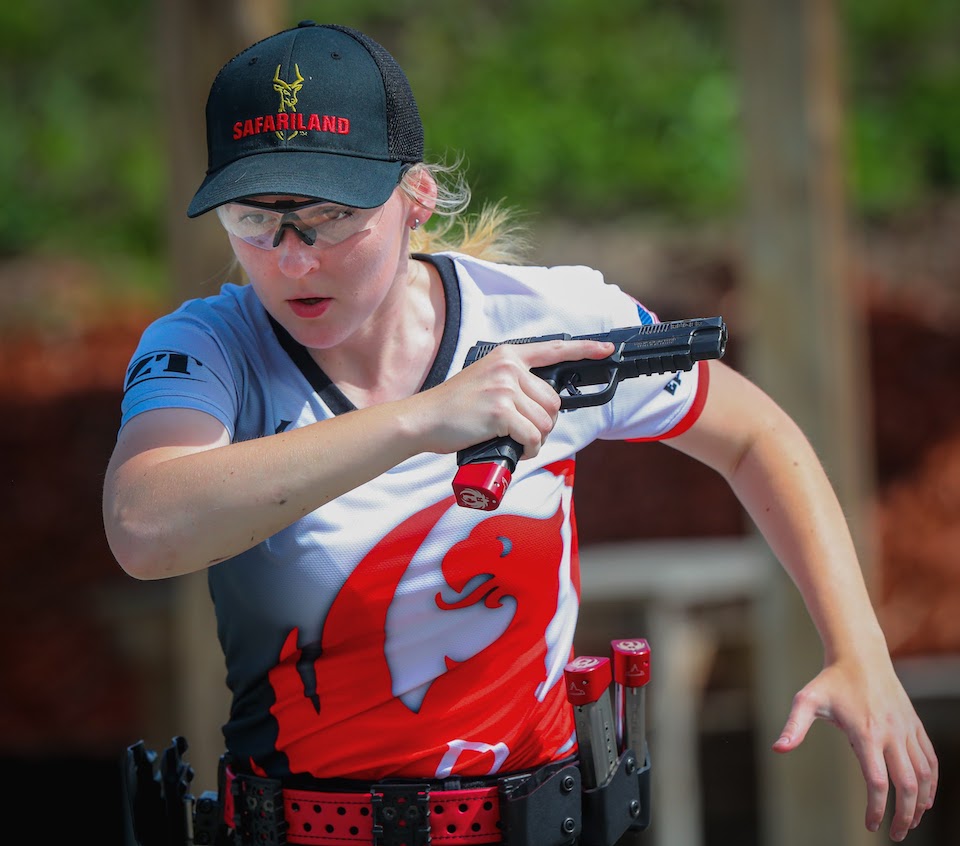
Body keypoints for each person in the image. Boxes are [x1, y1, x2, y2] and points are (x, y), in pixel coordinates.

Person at [103, 20, 937, 845]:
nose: (291, 259)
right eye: (254, 221)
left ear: (413, 197)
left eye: (326, 215)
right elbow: (145, 528)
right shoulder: (207, 346)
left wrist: (860, 650)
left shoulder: (548, 319)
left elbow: (755, 435)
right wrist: (424, 420)